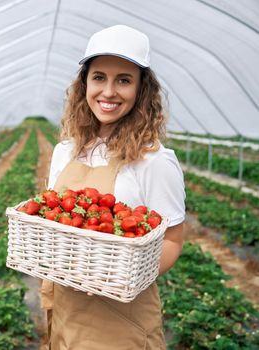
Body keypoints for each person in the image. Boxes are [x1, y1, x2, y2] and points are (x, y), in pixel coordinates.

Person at [40, 24, 186, 349]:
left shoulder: (154, 161)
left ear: (141, 89)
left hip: (121, 319)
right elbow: (54, 222)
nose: (108, 92)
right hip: (65, 307)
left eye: (124, 80)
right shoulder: (65, 151)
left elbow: (173, 241)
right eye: (99, 77)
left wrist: (123, 277)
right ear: (84, 84)